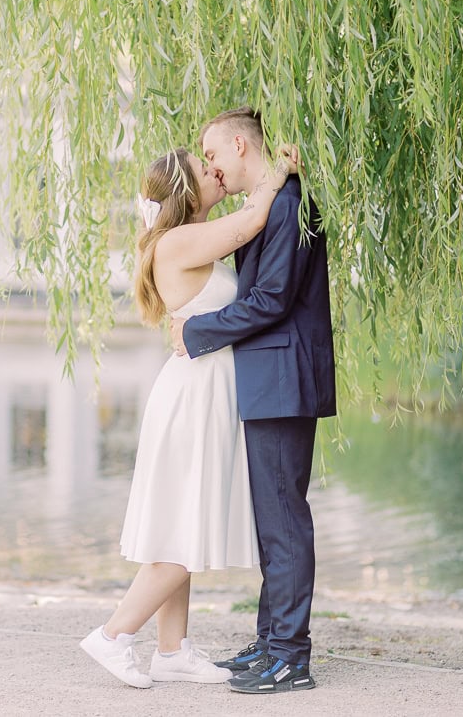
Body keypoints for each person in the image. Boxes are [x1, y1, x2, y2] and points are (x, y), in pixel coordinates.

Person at [80, 142, 300, 688]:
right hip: (194, 397)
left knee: (179, 522)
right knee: (183, 531)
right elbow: (250, 222)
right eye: (206, 169)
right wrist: (276, 173)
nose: (217, 171)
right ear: (185, 191)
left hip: (200, 391)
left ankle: (172, 651)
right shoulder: (179, 240)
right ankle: (112, 636)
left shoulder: (183, 238)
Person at [170, 107, 336, 694]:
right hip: (272, 380)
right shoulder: (275, 200)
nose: (211, 166)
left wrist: (196, 332)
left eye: (213, 154)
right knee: (275, 520)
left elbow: (269, 300)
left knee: (285, 520)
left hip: (284, 379)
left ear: (240, 146)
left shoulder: (289, 204)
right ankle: (272, 639)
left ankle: (291, 655)